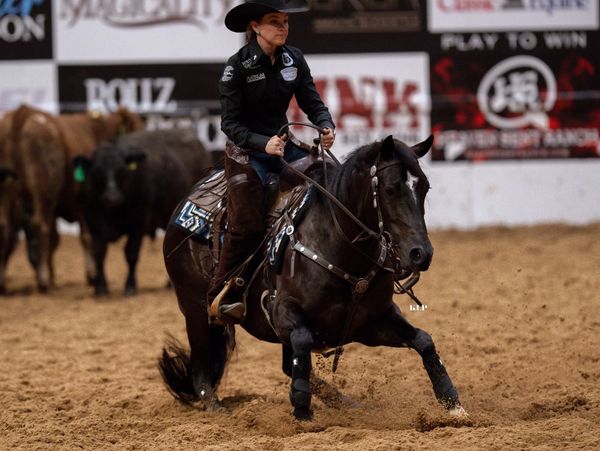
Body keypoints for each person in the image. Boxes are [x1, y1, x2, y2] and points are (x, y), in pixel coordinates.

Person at [208, 0, 336, 324]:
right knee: (247, 224)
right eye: (274, 21)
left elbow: (312, 101)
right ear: (255, 27)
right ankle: (220, 294)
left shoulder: (295, 58)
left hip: (284, 145)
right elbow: (230, 125)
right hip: (246, 153)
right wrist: (261, 142)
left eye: (285, 21)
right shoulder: (235, 67)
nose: (283, 27)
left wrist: (325, 124)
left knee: (331, 183)